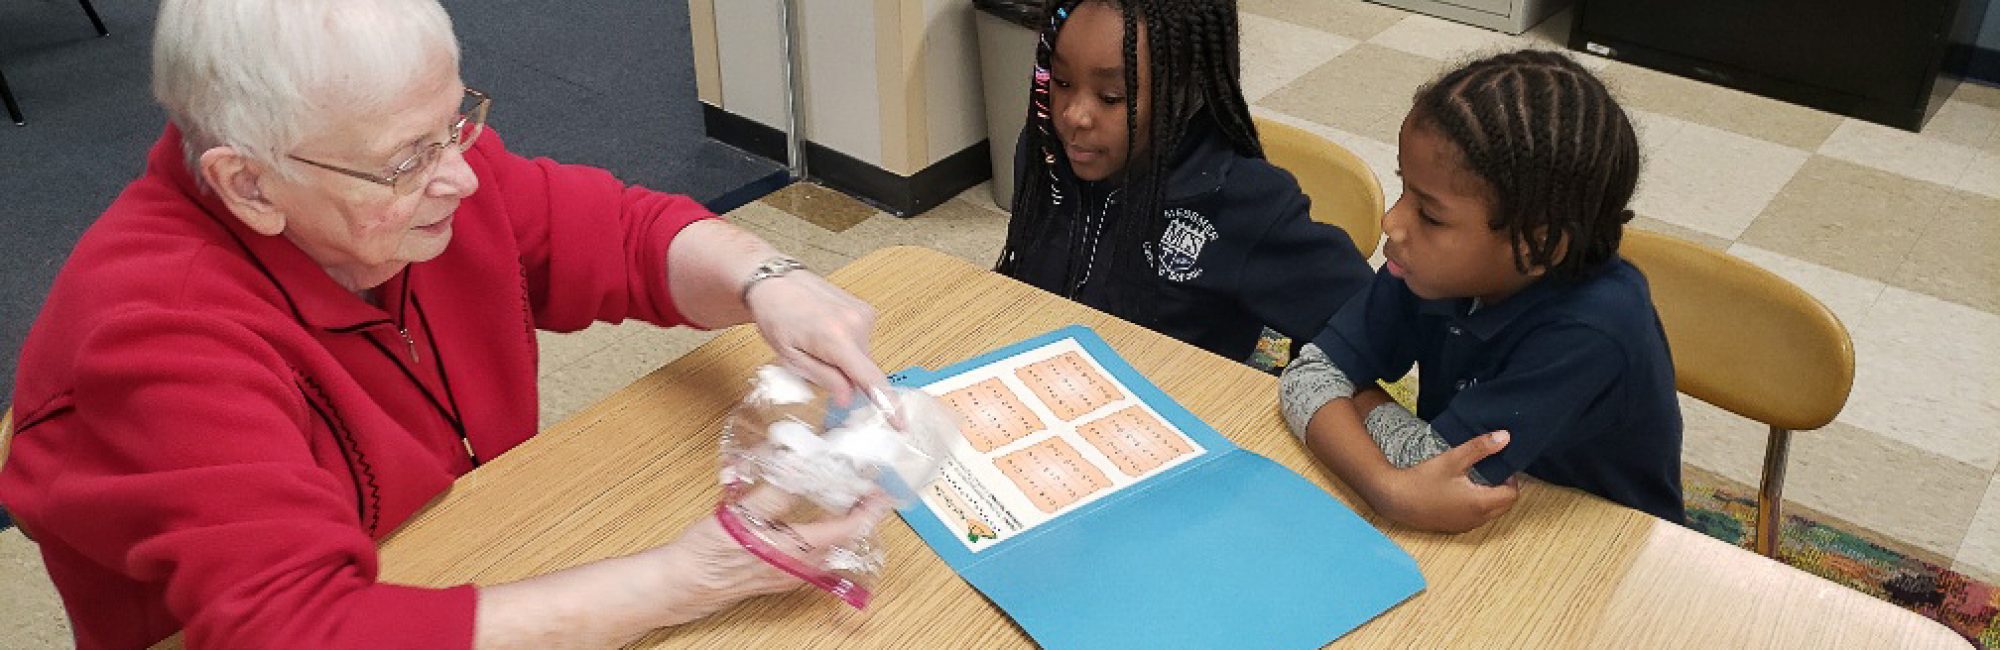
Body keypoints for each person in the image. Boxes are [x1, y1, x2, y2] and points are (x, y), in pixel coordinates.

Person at [0, 1, 895, 647]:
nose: (463, 180)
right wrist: (691, 579)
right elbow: (296, 630)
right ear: (249, 183)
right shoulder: (152, 337)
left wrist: (767, 278)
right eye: (407, 159)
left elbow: (618, 235)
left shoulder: (412, 176)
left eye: (456, 122)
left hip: (465, 547)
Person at [1279, 50, 1684, 533]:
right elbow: (1306, 375)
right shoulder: (1427, 266)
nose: (1393, 223)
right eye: (1404, 188)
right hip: (1489, 525)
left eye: (1430, 214)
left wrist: (1355, 398)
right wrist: (1387, 489)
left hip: (1602, 544)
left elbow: (1436, 469)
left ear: (1537, 245)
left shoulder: (1594, 327)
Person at [994, 0, 1373, 364]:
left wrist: (1308, 389)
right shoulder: (1043, 152)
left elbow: (1367, 321)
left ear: (1184, 89)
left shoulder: (1243, 202)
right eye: (1060, 81)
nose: (1073, 115)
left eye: (1110, 98)